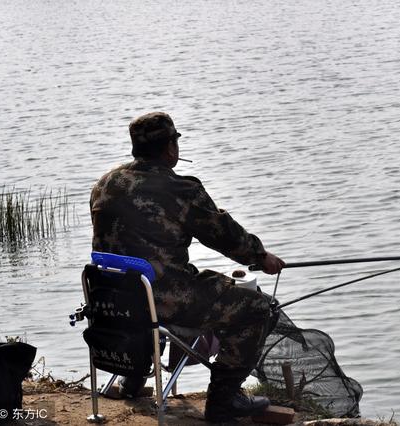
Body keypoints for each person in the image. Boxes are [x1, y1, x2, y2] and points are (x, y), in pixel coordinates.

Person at [90, 111, 285, 422]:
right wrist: (261, 258)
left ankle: (133, 379)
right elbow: (225, 235)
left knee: (161, 281)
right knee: (261, 307)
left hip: (113, 300)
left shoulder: (106, 183)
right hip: (163, 299)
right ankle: (224, 401)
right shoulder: (180, 190)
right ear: (170, 148)